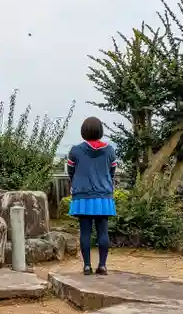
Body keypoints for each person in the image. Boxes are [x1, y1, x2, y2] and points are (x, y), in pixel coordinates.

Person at [67, 116, 117, 275]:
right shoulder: (110, 150)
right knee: (103, 232)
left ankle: (87, 266)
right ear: (100, 131)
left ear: (83, 131)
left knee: (85, 232)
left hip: (83, 196)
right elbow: (112, 172)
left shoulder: (75, 150)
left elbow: (71, 172)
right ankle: (102, 266)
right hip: (103, 197)